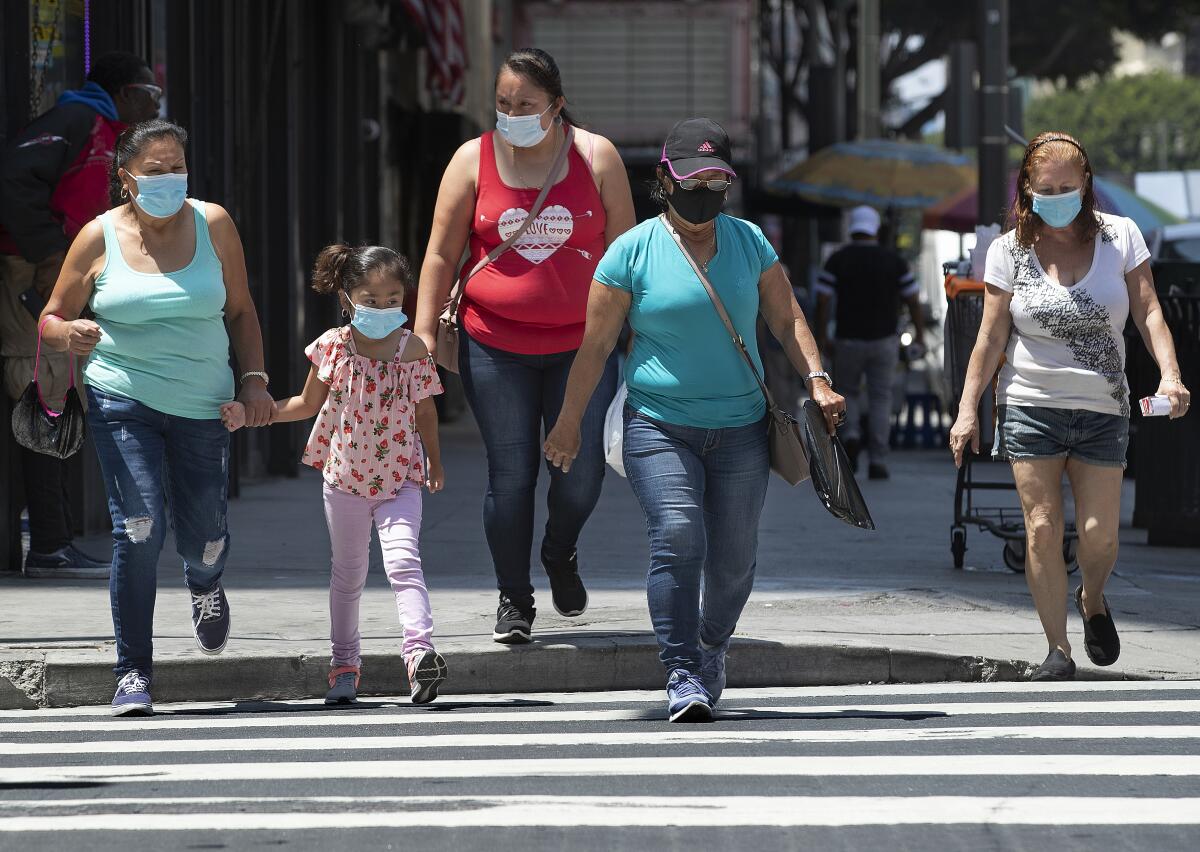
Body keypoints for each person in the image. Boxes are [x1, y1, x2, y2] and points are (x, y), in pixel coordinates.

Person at [544, 118, 844, 722]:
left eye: (717, 179)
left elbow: (786, 321)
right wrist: (569, 422)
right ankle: (681, 669)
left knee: (733, 562)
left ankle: (711, 644)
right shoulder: (630, 253)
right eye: (693, 178)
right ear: (665, 180)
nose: (704, 191)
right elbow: (596, 348)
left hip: (742, 429)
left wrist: (817, 377)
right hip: (659, 424)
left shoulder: (751, 243)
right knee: (678, 536)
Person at [38, 119, 274, 715]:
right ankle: (132, 673)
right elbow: (50, 317)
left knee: (206, 538)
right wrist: (70, 332)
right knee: (138, 529)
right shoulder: (97, 237)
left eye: (178, 167)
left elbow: (242, 312)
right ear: (126, 180)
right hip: (122, 399)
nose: (170, 179)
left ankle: (205, 583)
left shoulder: (213, 223)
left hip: (203, 404)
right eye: (156, 170)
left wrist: (254, 383)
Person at [949, 132, 1191, 682]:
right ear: (1027, 190)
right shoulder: (1009, 251)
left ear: (1086, 185)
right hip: (1030, 403)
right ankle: (1058, 650)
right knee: (1040, 529)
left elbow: (1149, 312)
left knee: (1100, 536)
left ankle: (1094, 596)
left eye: (1068, 186)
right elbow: (988, 340)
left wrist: (1171, 377)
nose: (1057, 196)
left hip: (1103, 407)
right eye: (1046, 188)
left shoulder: (1121, 237)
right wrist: (968, 410)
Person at [414, 48, 635, 644]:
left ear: (556, 107)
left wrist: (638, 337)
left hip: (584, 349)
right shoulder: (471, 160)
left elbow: (628, 258)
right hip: (496, 345)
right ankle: (514, 600)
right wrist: (423, 331)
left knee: (581, 473)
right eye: (503, 104)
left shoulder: (597, 156)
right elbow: (440, 253)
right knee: (510, 476)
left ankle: (560, 550)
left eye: (525, 105)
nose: (510, 114)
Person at [224, 244, 449, 706]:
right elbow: (307, 405)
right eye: (371, 298)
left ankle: (419, 653)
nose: (384, 307)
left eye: (392, 299)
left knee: (404, 562)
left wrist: (434, 460)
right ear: (347, 298)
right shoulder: (332, 346)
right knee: (348, 575)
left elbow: (426, 411)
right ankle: (344, 664)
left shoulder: (413, 349)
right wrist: (249, 415)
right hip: (344, 478)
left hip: (401, 477)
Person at [0, 51, 160, 578]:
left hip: (60, 279)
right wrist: (49, 255)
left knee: (58, 391)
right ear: (125, 92)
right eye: (150, 95)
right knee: (45, 394)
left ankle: (53, 540)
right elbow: (14, 181)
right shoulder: (76, 120)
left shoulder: (104, 130)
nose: (153, 105)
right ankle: (49, 544)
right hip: (32, 277)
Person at [815, 205, 924, 480]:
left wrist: (821, 336)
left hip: (848, 340)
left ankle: (851, 434)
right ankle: (878, 459)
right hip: (884, 340)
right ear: (875, 228)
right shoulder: (893, 260)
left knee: (848, 391)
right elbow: (912, 298)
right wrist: (920, 334)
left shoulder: (838, 260)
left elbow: (823, 300)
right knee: (880, 398)